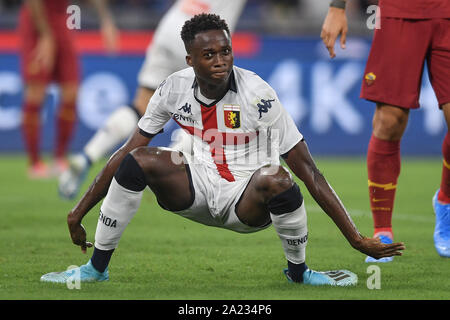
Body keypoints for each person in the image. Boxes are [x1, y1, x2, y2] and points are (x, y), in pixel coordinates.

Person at [41, 13, 404, 286]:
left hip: (247, 201)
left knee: (278, 177)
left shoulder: (258, 95)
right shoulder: (172, 88)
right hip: (195, 188)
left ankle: (299, 272)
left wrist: (356, 240)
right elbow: (125, 151)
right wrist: (79, 211)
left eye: (226, 51)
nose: (220, 60)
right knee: (138, 160)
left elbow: (308, 170)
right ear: (190, 61)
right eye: (209, 54)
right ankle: (95, 269)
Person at [58, 0, 247, 200]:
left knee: (142, 104)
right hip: (204, 38)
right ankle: (163, 169)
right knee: (217, 111)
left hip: (171, 26)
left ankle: (87, 156)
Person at [321, 0, 450, 260]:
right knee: (390, 121)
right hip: (399, 12)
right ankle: (382, 230)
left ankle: (445, 202)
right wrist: (337, 8)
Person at [19, 0, 118, 179]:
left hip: (62, 21)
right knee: (35, 92)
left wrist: (106, 20)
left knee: (71, 91)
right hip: (36, 22)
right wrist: (45, 35)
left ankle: (59, 158)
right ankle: (34, 163)